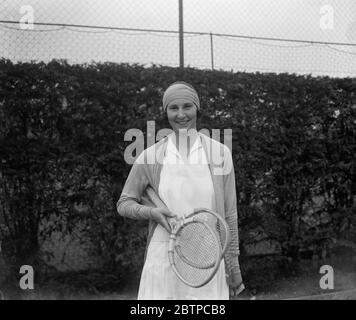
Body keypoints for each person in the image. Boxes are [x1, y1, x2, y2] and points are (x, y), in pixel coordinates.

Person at [117, 81, 243, 300]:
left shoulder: (220, 153)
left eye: (187, 106)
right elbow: (124, 203)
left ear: (197, 108)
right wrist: (152, 213)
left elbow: (230, 215)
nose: (181, 114)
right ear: (166, 112)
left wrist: (233, 265)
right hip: (163, 255)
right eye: (173, 108)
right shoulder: (150, 156)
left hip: (208, 257)